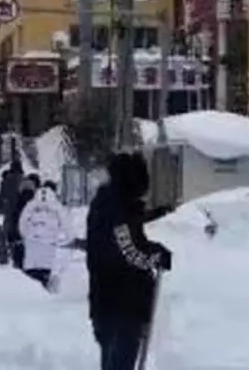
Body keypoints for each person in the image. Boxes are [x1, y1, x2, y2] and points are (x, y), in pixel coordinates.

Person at [86, 152, 173, 370]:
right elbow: (130, 252)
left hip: (106, 303)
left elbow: (126, 237)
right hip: (122, 305)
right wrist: (157, 256)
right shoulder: (117, 211)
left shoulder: (107, 205)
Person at [18, 180, 68, 289]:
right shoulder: (57, 206)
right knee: (45, 275)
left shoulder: (31, 205)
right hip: (48, 249)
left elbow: (22, 224)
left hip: (32, 251)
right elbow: (66, 225)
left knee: (31, 280)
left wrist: (28, 236)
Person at [7, 173, 40, 269]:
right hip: (32, 241)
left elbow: (12, 220)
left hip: (19, 240)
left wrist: (11, 237)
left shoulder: (17, 202)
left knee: (20, 266)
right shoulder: (35, 204)